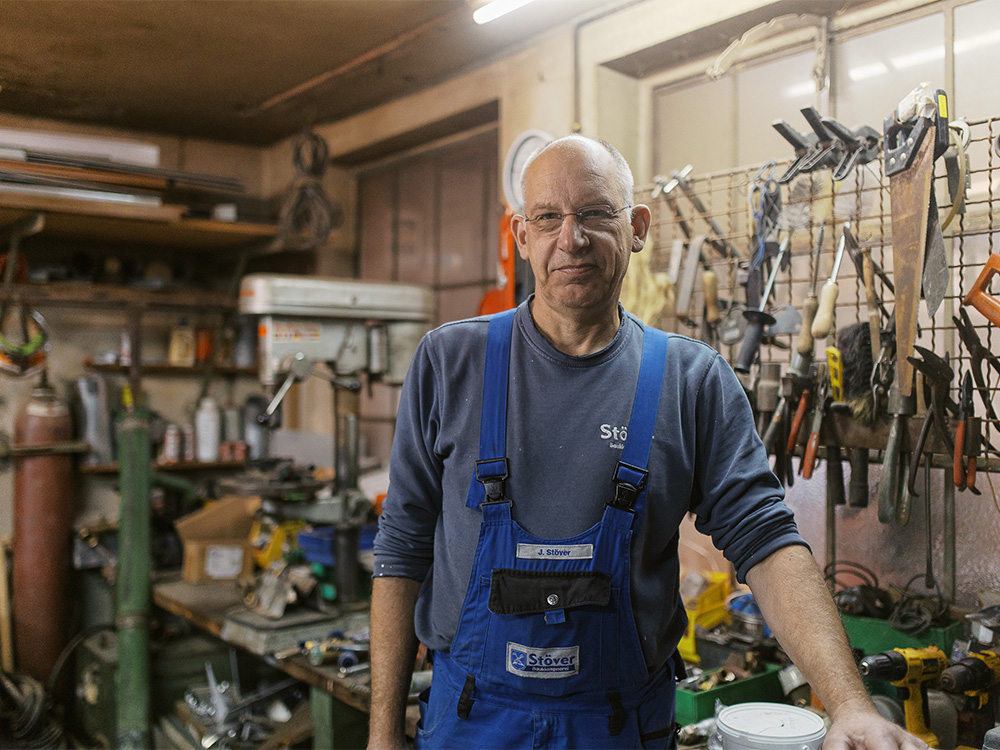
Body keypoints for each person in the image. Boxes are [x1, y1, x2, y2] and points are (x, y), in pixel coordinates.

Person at [369, 135, 928, 749]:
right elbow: (401, 547)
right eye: (548, 218)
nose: (571, 238)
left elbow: (767, 541)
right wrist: (382, 732)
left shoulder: (692, 381)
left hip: (621, 726)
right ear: (521, 236)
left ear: (636, 227)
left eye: (595, 213)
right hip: (470, 720)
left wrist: (850, 703)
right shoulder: (451, 362)